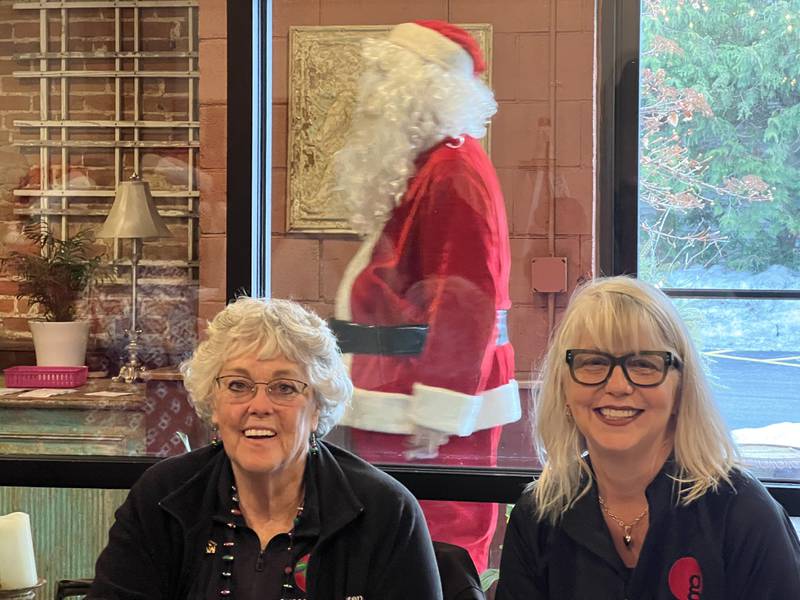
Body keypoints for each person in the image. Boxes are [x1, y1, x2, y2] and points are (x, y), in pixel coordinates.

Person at [88, 297, 443, 600]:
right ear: (214, 403)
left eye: (284, 387)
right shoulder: (162, 497)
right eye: (238, 385)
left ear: (317, 406)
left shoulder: (386, 512)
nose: (259, 405)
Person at [331, 20, 520, 574]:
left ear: (417, 86)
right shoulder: (433, 166)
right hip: (401, 395)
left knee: (436, 544)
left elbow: (468, 299)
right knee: (397, 541)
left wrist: (440, 406)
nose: (369, 92)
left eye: (381, 75)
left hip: (423, 407)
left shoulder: (452, 170)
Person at [496, 276, 800, 599]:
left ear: (681, 388)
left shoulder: (743, 514)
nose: (617, 386)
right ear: (564, 388)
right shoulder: (538, 517)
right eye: (594, 362)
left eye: (643, 364)